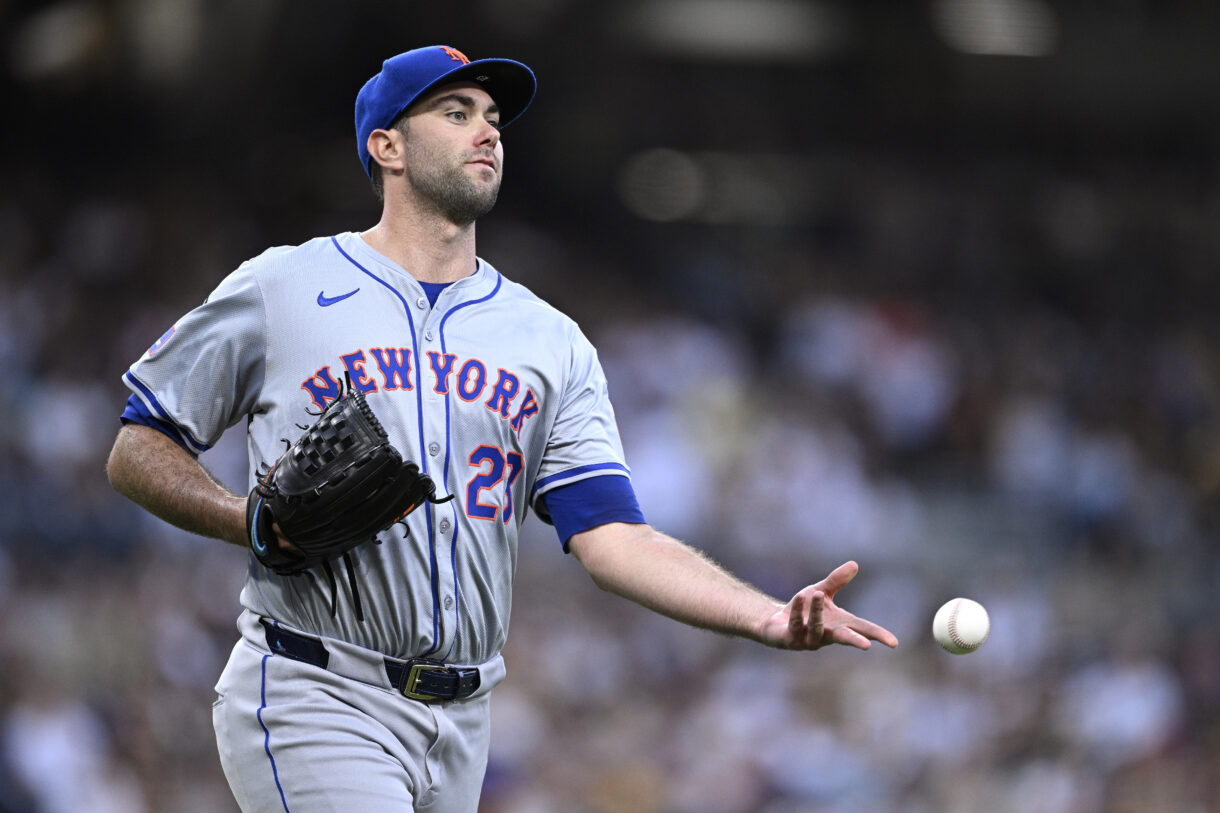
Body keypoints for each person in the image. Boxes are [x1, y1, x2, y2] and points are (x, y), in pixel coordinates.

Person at [105, 44, 899, 812]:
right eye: (456, 112)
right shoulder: (284, 286)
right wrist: (244, 518)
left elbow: (614, 536)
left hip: (464, 718)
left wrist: (759, 614)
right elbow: (139, 445)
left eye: (492, 116)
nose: (487, 130)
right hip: (317, 686)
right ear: (388, 146)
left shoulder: (548, 339)